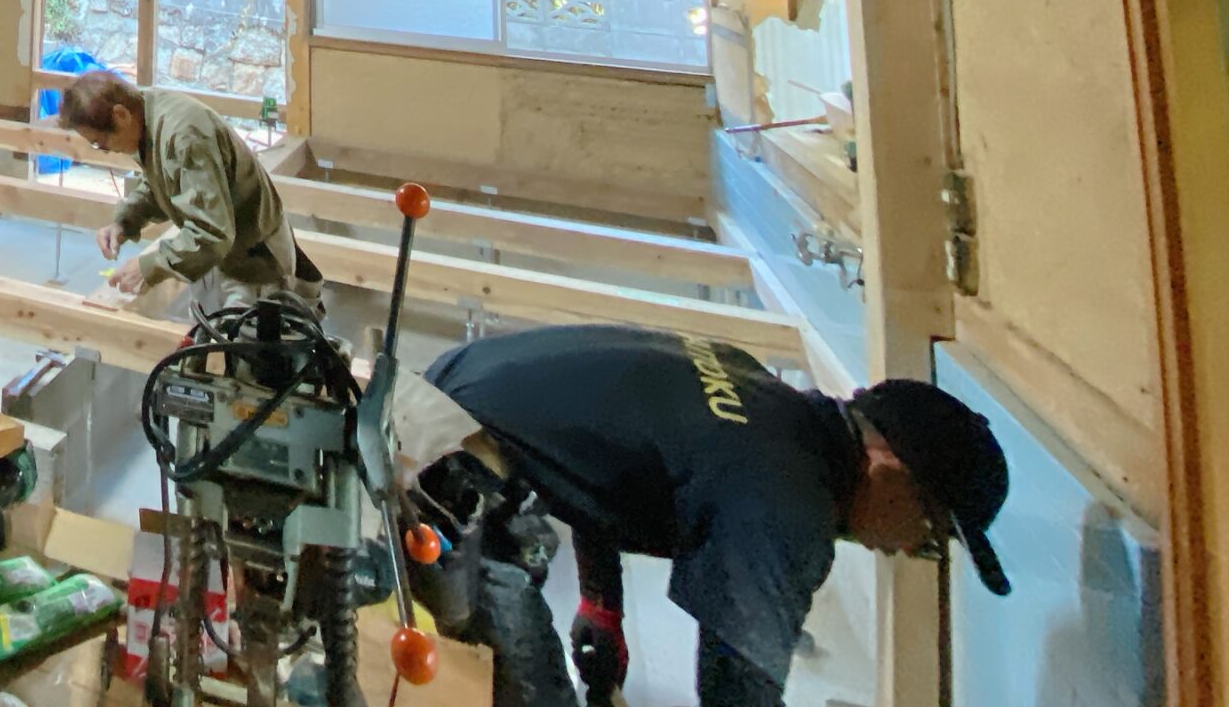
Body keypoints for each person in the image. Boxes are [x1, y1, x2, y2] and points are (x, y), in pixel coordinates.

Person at [385, 324, 1011, 707]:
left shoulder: (762, 394)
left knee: (522, 572)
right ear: (889, 470)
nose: (910, 549)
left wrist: (602, 604)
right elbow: (737, 690)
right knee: (524, 680)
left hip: (442, 397)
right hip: (444, 453)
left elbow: (602, 452)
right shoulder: (786, 504)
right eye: (930, 533)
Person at [59, 70, 319, 310]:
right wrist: (124, 222)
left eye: (100, 142)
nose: (104, 150)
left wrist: (148, 265)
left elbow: (212, 232)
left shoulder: (185, 136)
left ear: (120, 115)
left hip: (256, 259)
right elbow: (164, 182)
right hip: (223, 254)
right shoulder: (145, 112)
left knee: (253, 340)